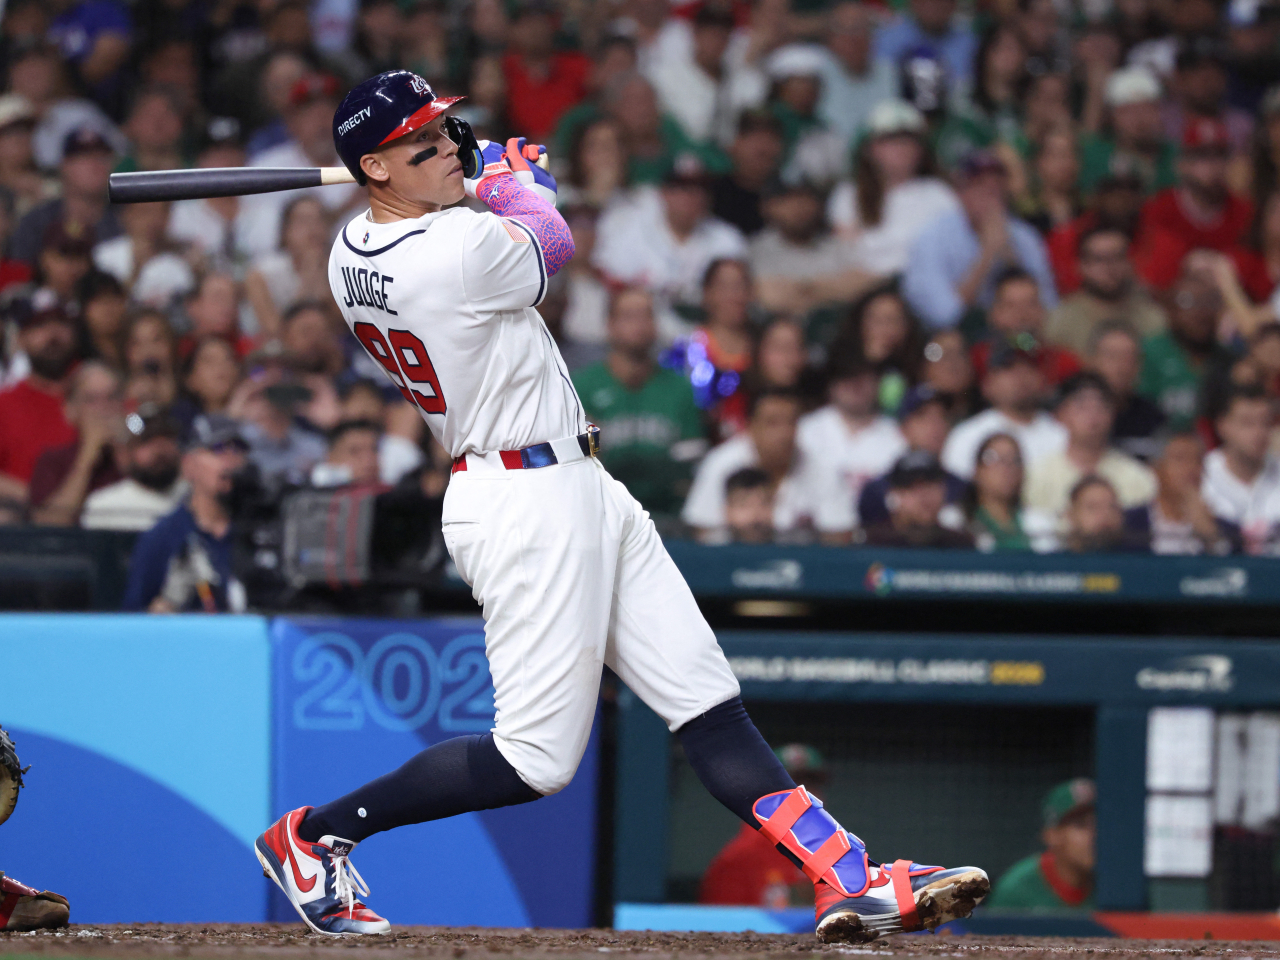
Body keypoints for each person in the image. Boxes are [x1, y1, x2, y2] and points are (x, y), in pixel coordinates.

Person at [257, 69, 988, 940]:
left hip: (576, 482)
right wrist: (513, 181)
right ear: (374, 170)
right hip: (522, 499)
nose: (450, 148)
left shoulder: (353, 251)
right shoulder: (449, 255)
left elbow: (462, 209)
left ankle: (848, 875)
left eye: (450, 133)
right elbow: (550, 244)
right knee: (535, 761)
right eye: (424, 146)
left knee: (705, 698)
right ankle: (315, 836)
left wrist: (476, 174)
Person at [573, 287, 706, 518]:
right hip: (600, 514)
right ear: (610, 325)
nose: (640, 325)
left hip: (665, 516)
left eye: (647, 316)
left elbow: (688, 470)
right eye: (629, 316)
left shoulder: (679, 389)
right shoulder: (582, 387)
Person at [903, 150, 1057, 330]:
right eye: (981, 187)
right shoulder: (934, 236)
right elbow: (945, 316)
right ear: (961, 193)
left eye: (997, 188)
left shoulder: (1023, 236)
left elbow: (1049, 307)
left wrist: (1012, 259)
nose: (991, 196)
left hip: (1015, 337)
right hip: (953, 340)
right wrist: (987, 254)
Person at [121, 414, 249, 613]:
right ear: (189, 465)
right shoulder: (164, 537)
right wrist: (168, 605)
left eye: (239, 449)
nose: (231, 460)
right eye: (218, 449)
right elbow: (133, 618)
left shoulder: (259, 530)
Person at [593, 160, 747, 314]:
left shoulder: (727, 239)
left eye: (700, 188)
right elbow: (608, 285)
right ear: (663, 192)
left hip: (703, 328)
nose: (691, 196)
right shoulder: (630, 230)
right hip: (646, 329)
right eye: (682, 187)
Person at [827, 99, 959, 277]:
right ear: (870, 149)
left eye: (908, 141)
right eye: (890, 141)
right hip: (865, 283)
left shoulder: (939, 193)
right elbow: (846, 252)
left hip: (921, 279)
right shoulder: (849, 193)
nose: (901, 148)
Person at [683, 389, 831, 542]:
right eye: (772, 423)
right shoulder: (721, 462)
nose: (784, 433)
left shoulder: (821, 465)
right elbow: (702, 530)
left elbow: (839, 535)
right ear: (751, 426)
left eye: (791, 422)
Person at [1023, 372, 1157, 531]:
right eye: (1082, 407)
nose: (1093, 415)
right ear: (1061, 414)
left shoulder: (1137, 477)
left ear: (1113, 415)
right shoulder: (1036, 476)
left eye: (1101, 407)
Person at [799, 345, 908, 540]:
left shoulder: (896, 438)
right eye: (847, 377)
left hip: (877, 539)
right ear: (831, 384)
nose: (856, 385)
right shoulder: (806, 431)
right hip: (815, 538)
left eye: (864, 378)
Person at [1132, 118, 1254, 291]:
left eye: (1219, 155)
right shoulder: (1159, 209)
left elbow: (1253, 276)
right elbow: (1149, 276)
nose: (1211, 165)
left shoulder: (1244, 212)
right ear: (1182, 164)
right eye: (1201, 155)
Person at [700, 744, 828, 905]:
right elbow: (720, 926)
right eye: (790, 786)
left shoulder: (831, 852)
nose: (805, 794)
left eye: (811, 784)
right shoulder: (739, 857)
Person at [942, 344, 1067, 480]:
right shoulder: (967, 436)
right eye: (1008, 368)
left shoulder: (1063, 433)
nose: (1021, 374)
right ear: (987, 384)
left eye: (1030, 366)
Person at [1137, 259, 1234, 432]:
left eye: (1209, 302)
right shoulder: (1149, 353)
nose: (1200, 312)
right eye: (1187, 302)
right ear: (1171, 310)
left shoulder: (1230, 359)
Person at [0, 297, 81, 504]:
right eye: (40, 326)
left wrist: (138, 415)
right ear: (21, 338)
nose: (53, 335)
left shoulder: (102, 392)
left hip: (103, 522)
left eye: (61, 324)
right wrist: (40, 500)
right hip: (27, 529)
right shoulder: (4, 405)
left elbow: (136, 427)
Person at [27, 360, 125, 525]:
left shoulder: (139, 451)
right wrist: (87, 457)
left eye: (111, 397)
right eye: (91, 399)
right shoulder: (53, 461)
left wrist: (123, 447)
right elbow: (49, 523)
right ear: (70, 410)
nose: (103, 408)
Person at [1044, 226, 1167, 357]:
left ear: (1130, 262)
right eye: (1099, 259)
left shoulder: (1153, 316)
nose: (1109, 268)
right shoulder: (1060, 322)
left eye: (1117, 257)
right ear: (1081, 266)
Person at [859, 385, 966, 528]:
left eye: (942, 416)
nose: (935, 425)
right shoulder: (877, 492)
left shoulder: (963, 489)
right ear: (903, 427)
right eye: (923, 416)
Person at [986, 780, 1096, 911]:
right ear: (1052, 835)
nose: (1095, 835)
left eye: (1100, 823)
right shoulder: (1016, 891)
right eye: (1081, 825)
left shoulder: (1117, 885)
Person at [1124, 433, 1238, 555]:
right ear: (1156, 469)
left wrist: (1211, 538)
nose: (1191, 468)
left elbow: (1238, 569)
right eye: (1180, 459)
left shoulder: (1227, 531)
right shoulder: (1129, 524)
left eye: (1198, 460)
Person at [969, 267, 1081, 388]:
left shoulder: (1064, 363)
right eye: (1010, 306)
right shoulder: (976, 362)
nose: (1022, 315)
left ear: (1042, 311)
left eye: (1031, 304)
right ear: (993, 314)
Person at [1201, 386, 1280, 554]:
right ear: (1222, 426)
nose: (1259, 432)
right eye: (1247, 423)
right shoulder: (1199, 475)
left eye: (1266, 423)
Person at [81, 406, 186, 531]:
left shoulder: (198, 498)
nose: (159, 449)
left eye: (167, 439)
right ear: (125, 453)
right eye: (147, 441)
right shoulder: (104, 506)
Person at [1078, 67, 1176, 196]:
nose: (1139, 119)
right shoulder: (1094, 156)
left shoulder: (1177, 156)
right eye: (1127, 111)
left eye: (1147, 108)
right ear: (1111, 116)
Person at [1086, 321, 1166, 462]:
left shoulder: (1153, 418)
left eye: (1129, 358)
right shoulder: (1065, 415)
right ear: (1091, 361)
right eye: (1112, 356)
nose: (1121, 367)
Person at [862, 450, 976, 548]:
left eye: (931, 485)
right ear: (894, 494)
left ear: (944, 490)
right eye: (912, 488)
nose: (924, 495)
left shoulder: (961, 546)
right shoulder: (873, 545)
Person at [965, 432, 1032, 551]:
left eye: (1015, 460)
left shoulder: (1037, 522)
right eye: (993, 458)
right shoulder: (955, 521)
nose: (1006, 468)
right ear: (977, 470)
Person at [1061, 475, 1141, 552]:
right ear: (1071, 515)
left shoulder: (1141, 560)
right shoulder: (1055, 563)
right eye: (1093, 507)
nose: (1105, 514)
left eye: (1112, 507)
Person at [311, 419, 384, 488]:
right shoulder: (307, 496)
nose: (368, 460)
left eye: (374, 450)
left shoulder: (391, 492)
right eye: (355, 451)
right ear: (330, 457)